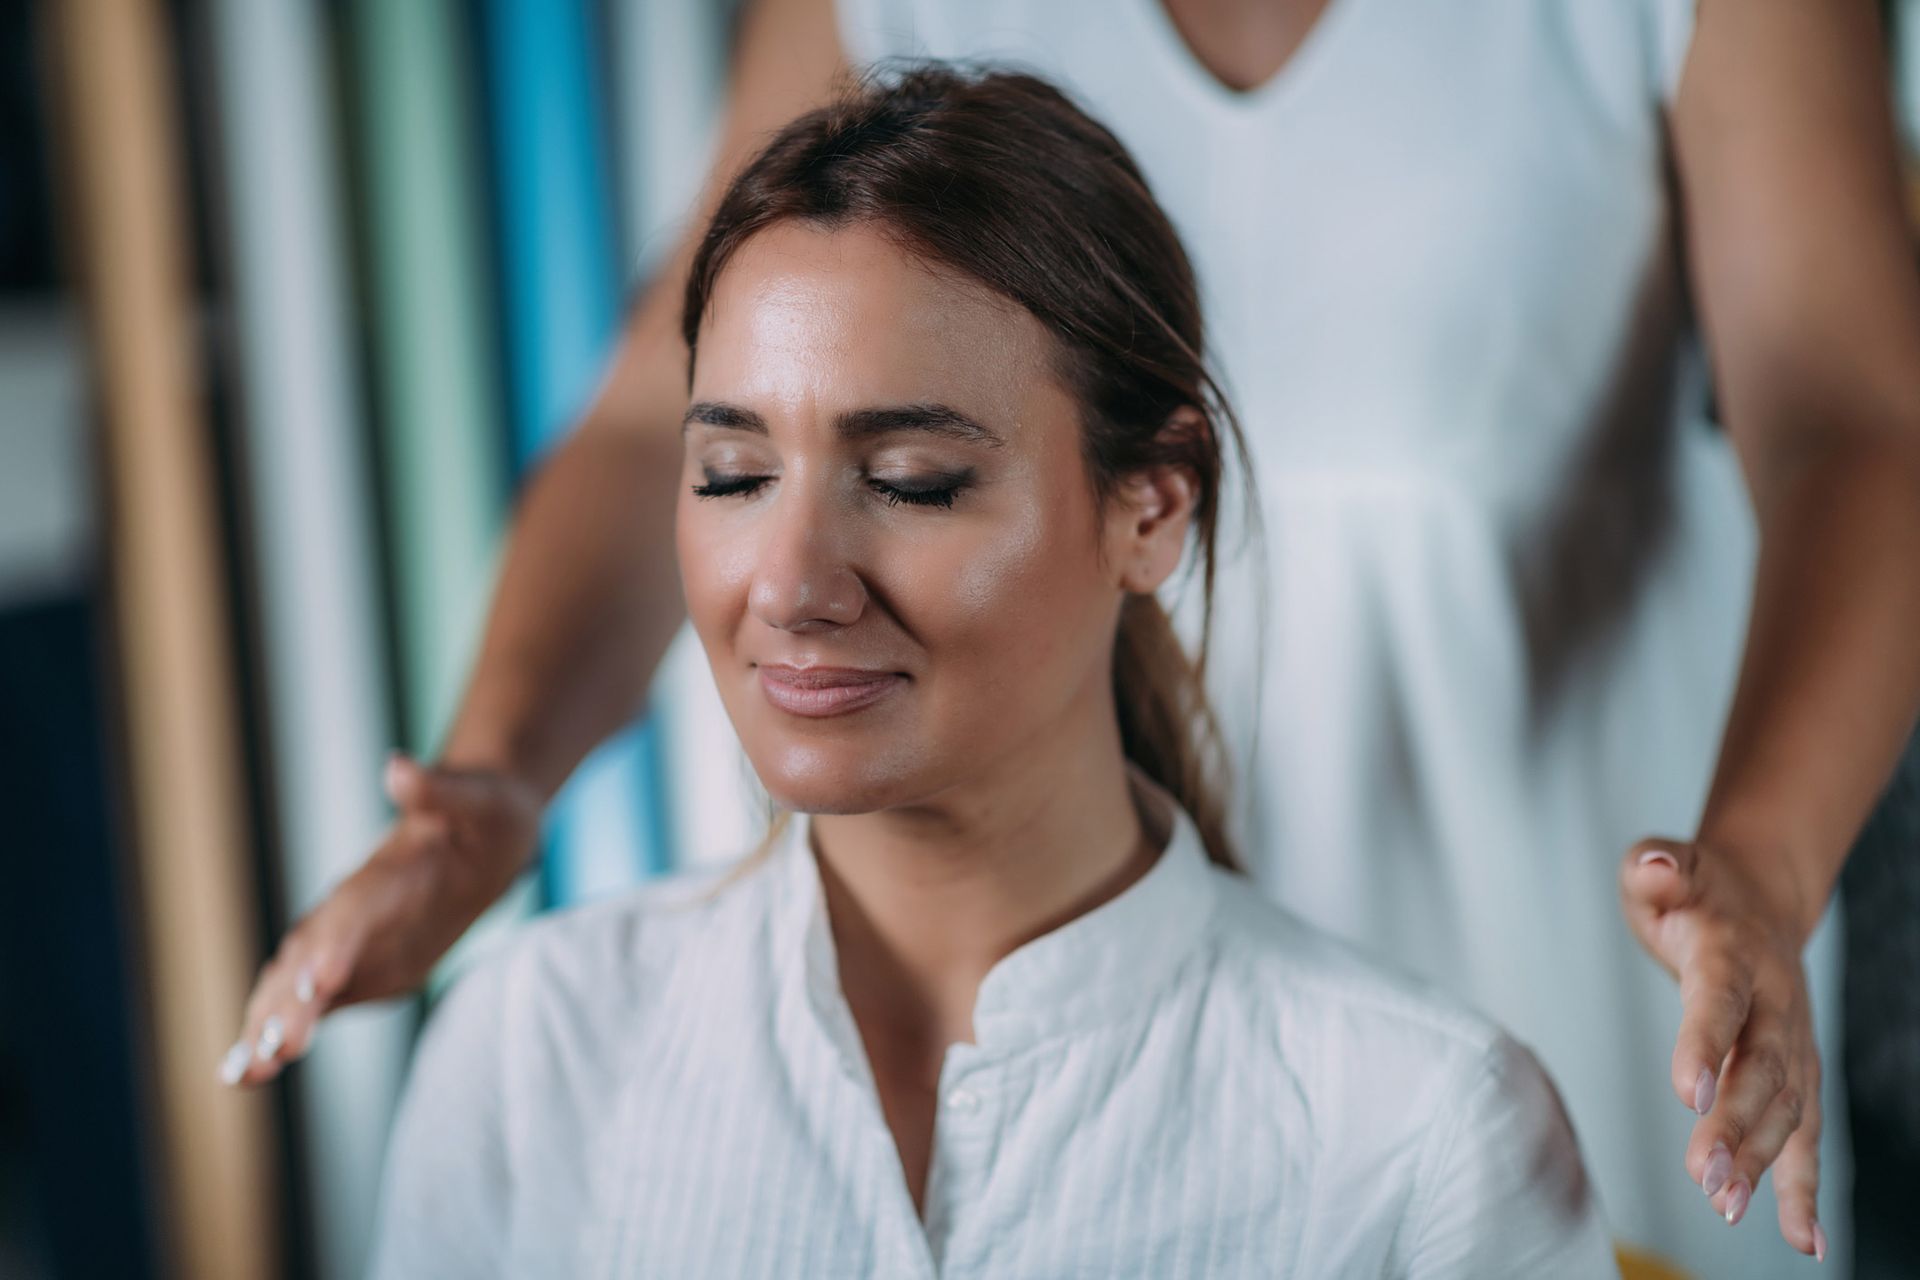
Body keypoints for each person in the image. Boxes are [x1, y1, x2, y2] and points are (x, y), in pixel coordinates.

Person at [230, 1, 1920, 1274]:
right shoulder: (541, 1061)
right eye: (737, 474)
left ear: (1155, 508)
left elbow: (1858, 417)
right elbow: (649, 423)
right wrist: (493, 783)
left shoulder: (1447, 1129)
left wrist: (1759, 873)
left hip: (1570, 965)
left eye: (909, 476)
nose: (799, 572)